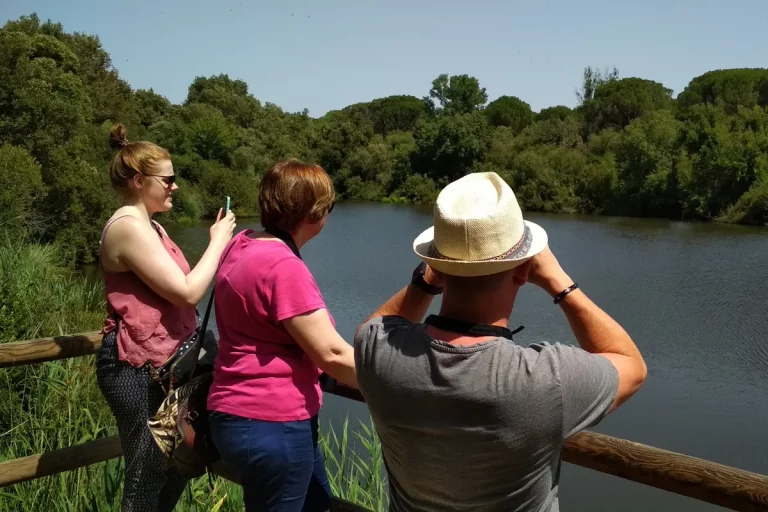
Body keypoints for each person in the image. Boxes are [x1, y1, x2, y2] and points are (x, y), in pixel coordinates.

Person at [354, 172, 647, 512]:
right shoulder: (546, 379)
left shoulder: (378, 351)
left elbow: (376, 325)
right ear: (523, 270)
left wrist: (424, 283)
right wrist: (560, 284)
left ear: (437, 267)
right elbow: (631, 365)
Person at [96, 124, 236, 512]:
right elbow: (187, 292)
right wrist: (218, 241)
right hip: (135, 367)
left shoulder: (152, 226)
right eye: (168, 180)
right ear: (139, 180)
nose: (175, 186)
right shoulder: (127, 226)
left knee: (180, 463)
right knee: (147, 472)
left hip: (166, 364)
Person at [207, 159, 357, 512]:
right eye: (329, 207)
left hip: (233, 415)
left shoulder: (241, 244)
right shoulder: (283, 266)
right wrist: (394, 381)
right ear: (313, 213)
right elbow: (332, 354)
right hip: (273, 424)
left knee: (317, 505)